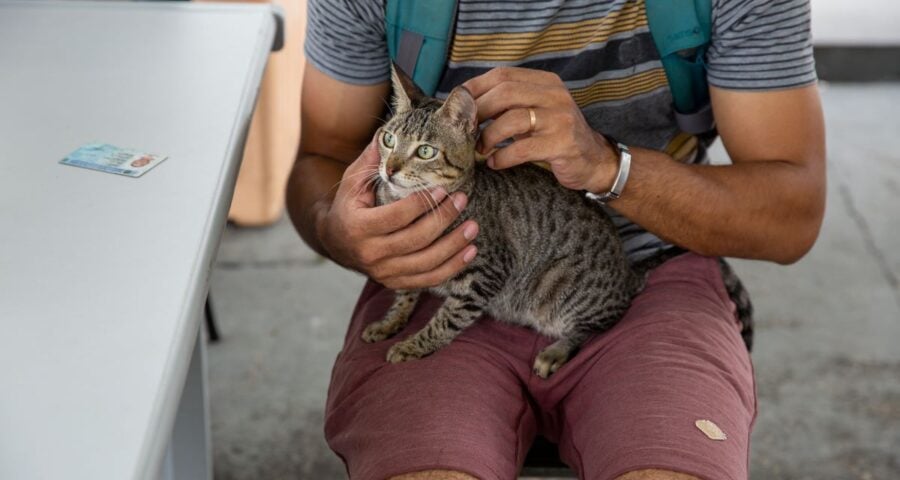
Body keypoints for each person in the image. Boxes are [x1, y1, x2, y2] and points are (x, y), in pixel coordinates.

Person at [286, 1, 825, 479]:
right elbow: (319, 158)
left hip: (644, 270)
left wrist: (606, 165)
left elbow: (792, 219)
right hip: (430, 273)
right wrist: (338, 233)